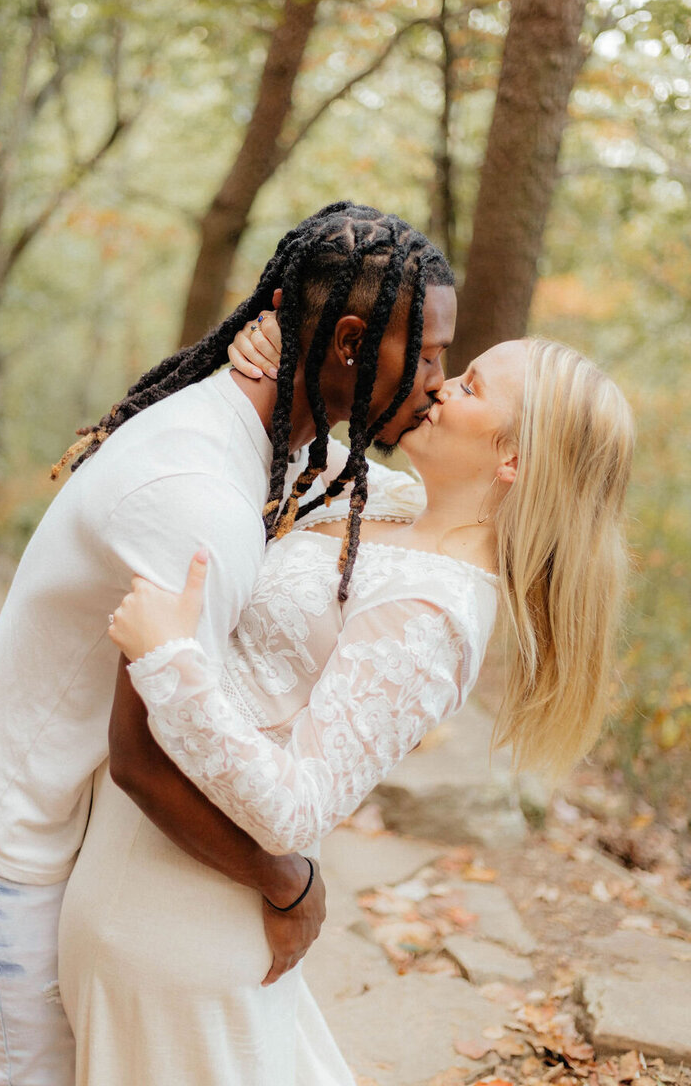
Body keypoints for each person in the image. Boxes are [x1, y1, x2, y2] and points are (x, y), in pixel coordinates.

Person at [0, 202, 457, 1084]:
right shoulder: (197, 498)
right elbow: (145, 756)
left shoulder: (273, 433)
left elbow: (375, 501)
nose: (440, 379)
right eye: (430, 353)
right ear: (351, 345)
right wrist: (289, 883)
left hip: (86, 827)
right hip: (24, 837)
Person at [58, 335, 634, 1085]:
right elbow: (266, 438)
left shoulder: (434, 612)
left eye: (470, 386)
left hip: (183, 909)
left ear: (513, 461)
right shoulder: (392, 503)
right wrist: (268, 347)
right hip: (134, 858)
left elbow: (294, 810)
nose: (439, 388)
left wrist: (171, 662)